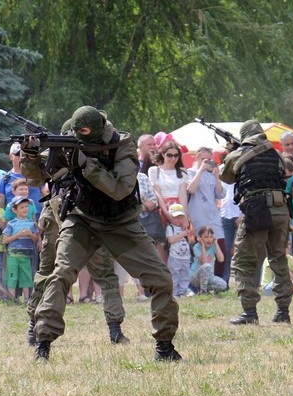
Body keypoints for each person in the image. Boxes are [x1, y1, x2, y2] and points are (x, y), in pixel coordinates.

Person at [27, 105, 181, 361]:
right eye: (76, 132)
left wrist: (84, 164)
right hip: (82, 219)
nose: (79, 136)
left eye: (84, 131)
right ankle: (43, 343)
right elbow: (36, 178)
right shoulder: (69, 141)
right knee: (61, 273)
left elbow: (120, 188)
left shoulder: (122, 144)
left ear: (97, 130)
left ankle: (164, 346)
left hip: (121, 222)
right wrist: (30, 156)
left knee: (160, 278)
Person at [22, 119, 130, 346]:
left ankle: (115, 328)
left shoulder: (99, 154)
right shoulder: (60, 154)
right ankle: (35, 324)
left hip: (86, 216)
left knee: (100, 275)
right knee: (50, 272)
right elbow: (33, 176)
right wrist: (29, 153)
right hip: (61, 213)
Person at [219, 119, 293, 325]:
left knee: (244, 261)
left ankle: (249, 312)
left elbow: (226, 177)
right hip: (281, 210)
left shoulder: (237, 155)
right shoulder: (275, 154)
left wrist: (231, 151)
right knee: (278, 259)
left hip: (257, 210)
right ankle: (283, 311)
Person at [186, 147, 226, 277]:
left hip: (213, 215)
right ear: (196, 158)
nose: (206, 162)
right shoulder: (191, 172)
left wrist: (217, 177)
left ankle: (219, 281)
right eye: (203, 159)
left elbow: (220, 194)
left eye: (209, 159)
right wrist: (201, 170)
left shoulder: (211, 175)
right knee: (200, 249)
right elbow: (191, 189)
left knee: (220, 247)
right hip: (198, 216)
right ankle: (197, 281)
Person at [189, 225, 228, 294]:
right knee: (207, 266)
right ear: (200, 238)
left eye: (211, 237)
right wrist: (202, 246)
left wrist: (216, 243)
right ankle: (203, 291)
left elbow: (221, 259)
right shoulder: (196, 247)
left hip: (209, 277)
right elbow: (203, 262)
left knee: (223, 285)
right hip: (195, 277)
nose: (209, 239)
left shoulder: (213, 246)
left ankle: (203, 289)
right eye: (206, 237)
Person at [165, 203, 192, 298]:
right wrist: (182, 234)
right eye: (176, 217)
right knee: (174, 275)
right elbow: (171, 240)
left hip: (185, 256)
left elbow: (191, 240)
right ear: (171, 217)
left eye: (181, 217)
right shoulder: (170, 227)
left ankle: (182, 292)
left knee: (185, 275)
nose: (179, 220)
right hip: (174, 257)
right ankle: (174, 293)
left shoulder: (184, 227)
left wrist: (187, 229)